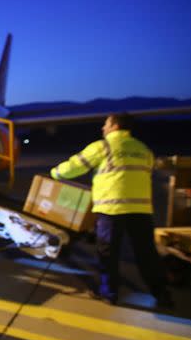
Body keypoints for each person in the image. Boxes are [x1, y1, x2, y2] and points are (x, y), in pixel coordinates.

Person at [50, 113, 173, 308]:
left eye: (106, 124)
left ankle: (109, 293)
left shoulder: (103, 147)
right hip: (140, 209)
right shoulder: (143, 150)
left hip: (111, 209)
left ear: (115, 126)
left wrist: (55, 173)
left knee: (108, 253)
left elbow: (74, 167)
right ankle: (162, 295)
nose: (103, 128)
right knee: (147, 254)